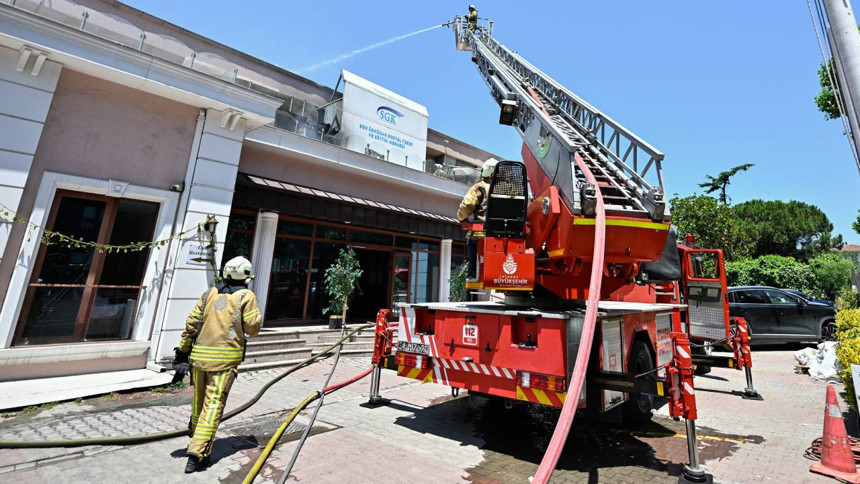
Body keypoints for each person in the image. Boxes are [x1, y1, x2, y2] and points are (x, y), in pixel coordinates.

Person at [172, 256, 262, 473]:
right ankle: (197, 452)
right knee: (213, 405)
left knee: (199, 401)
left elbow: (191, 323)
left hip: (198, 358)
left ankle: (195, 433)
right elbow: (253, 328)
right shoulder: (246, 296)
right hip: (224, 360)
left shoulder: (209, 293)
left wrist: (182, 353)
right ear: (246, 276)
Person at [457, 158, 498, 280]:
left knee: (471, 239)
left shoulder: (479, 187)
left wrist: (461, 218)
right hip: (501, 234)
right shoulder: (506, 187)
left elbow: (467, 204)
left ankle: (472, 274)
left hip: (482, 232)